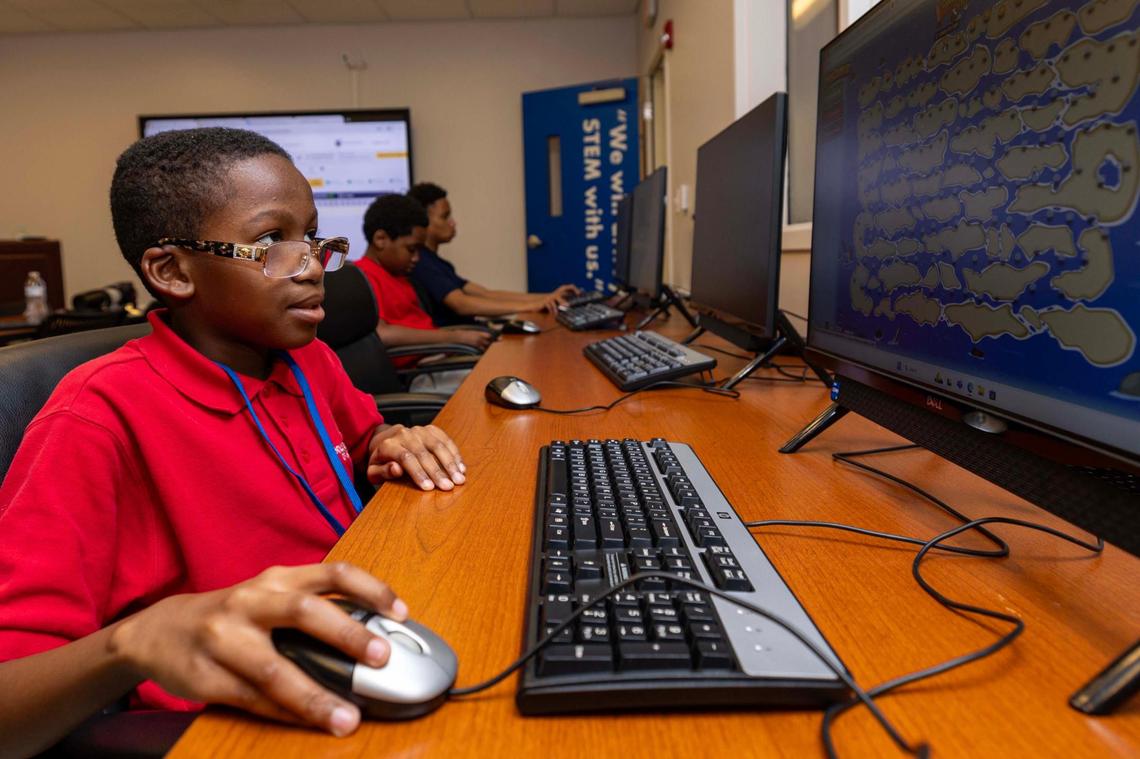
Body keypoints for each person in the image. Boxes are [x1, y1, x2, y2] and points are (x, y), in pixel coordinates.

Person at [0, 127, 467, 757]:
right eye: (272, 241)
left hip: (370, 633)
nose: (310, 265)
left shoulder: (308, 360)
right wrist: (134, 639)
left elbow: (357, 441)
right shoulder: (96, 417)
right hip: (238, 722)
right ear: (172, 271)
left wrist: (388, 439)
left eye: (312, 235)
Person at [406, 182, 579, 325]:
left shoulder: (438, 263)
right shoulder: (421, 262)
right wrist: (532, 306)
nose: (453, 223)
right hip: (459, 349)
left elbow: (486, 294)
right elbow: (462, 304)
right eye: (445, 217)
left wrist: (548, 297)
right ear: (424, 221)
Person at [353, 193, 493, 357]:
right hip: (421, 370)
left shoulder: (399, 276)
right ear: (381, 239)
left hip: (438, 356)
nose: (416, 258)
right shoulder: (363, 277)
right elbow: (383, 334)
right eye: (411, 249)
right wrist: (457, 337)